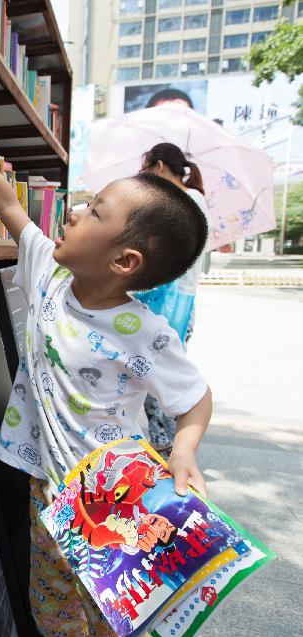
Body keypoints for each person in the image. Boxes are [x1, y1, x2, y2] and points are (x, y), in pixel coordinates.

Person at [0, 82, 212, 637]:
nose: (75, 211)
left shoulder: (144, 332)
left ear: (124, 260)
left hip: (115, 499)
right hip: (49, 489)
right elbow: (6, 203)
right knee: (54, 603)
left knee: (114, 611)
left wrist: (183, 451)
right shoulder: (48, 273)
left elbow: (193, 397)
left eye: (93, 211)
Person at [135, 143, 211, 457]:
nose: (147, 177)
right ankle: (163, 444)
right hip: (176, 299)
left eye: (148, 170)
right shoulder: (193, 199)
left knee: (155, 372)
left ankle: (165, 447)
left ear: (161, 165)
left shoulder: (186, 200)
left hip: (171, 300)